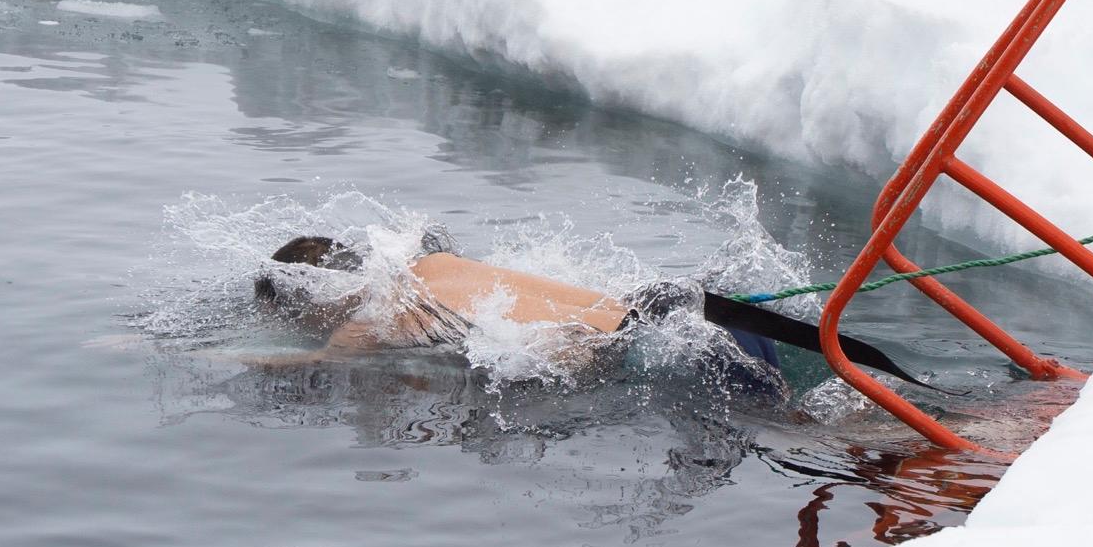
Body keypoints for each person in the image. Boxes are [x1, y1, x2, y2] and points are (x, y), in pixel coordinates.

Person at [253, 234, 785, 381]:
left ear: (311, 295)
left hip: (665, 353)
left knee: (820, 435)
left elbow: (313, 364)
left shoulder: (367, 324)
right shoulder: (433, 260)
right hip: (685, 310)